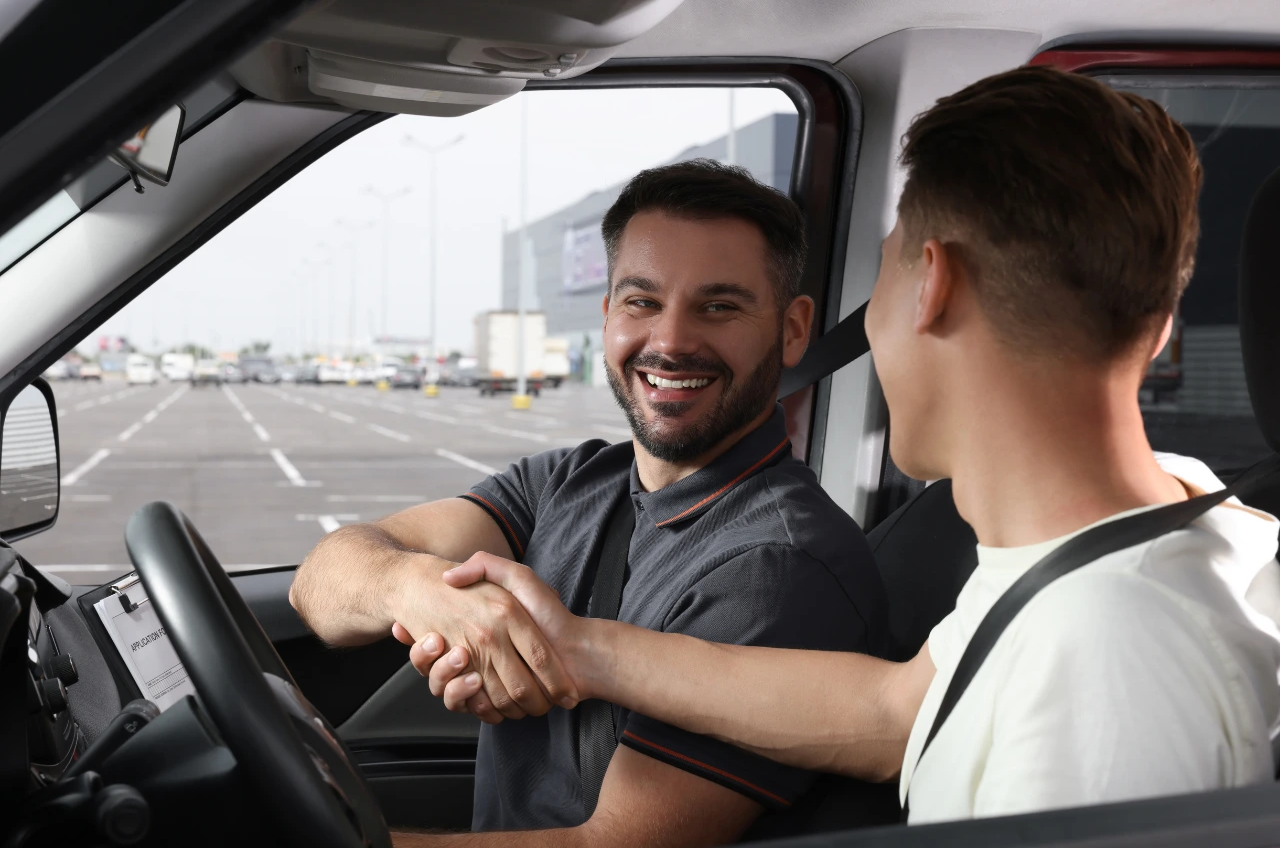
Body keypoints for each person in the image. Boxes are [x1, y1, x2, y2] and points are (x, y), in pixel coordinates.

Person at [411, 66, 1280, 824]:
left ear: (929, 284)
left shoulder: (1105, 658)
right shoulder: (1165, 514)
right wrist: (577, 649)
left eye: (885, 263)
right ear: (1159, 327)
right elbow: (890, 709)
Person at [289, 159, 891, 846]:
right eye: (641, 301)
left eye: (718, 305)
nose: (669, 341)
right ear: (607, 315)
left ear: (791, 329)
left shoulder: (779, 567)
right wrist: (425, 594)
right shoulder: (569, 481)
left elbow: (603, 844)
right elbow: (321, 587)